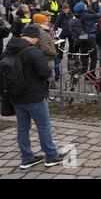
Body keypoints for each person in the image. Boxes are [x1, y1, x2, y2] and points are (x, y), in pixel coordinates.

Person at [2, 25, 66, 169]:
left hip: (16, 96)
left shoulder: (8, 50)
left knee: (22, 128)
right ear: (35, 37)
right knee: (43, 125)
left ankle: (26, 158)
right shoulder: (32, 52)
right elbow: (46, 73)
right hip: (34, 96)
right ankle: (51, 156)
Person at [73, 1, 101, 77]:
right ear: (82, 8)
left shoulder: (77, 15)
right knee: (93, 58)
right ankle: (91, 75)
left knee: (84, 56)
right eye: (84, 5)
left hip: (82, 38)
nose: (86, 6)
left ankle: (85, 73)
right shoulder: (87, 16)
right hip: (90, 38)